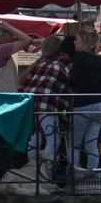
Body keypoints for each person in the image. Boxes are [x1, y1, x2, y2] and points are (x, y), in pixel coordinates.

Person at [20, 35, 70, 163]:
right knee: (53, 140)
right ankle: (46, 172)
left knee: (34, 141)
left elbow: (21, 81)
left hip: (30, 106)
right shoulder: (63, 64)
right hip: (47, 106)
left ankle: (33, 172)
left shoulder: (39, 65)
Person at [67, 30, 101, 173]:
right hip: (99, 106)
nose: (74, 42)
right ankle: (91, 176)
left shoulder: (80, 57)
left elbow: (73, 80)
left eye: (77, 40)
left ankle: (74, 176)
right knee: (91, 144)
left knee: (74, 144)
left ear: (84, 42)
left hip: (83, 104)